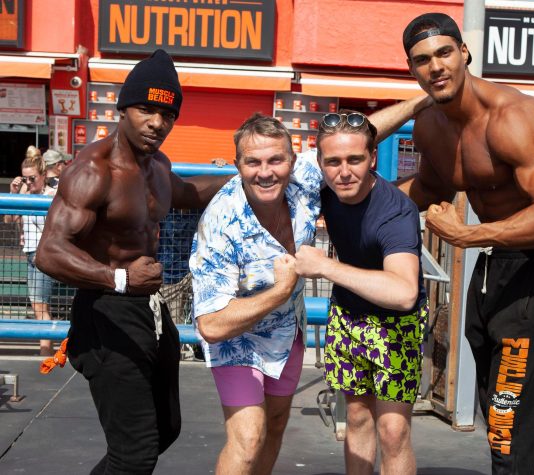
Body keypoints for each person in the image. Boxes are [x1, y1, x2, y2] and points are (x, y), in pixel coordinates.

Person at [373, 13, 534, 474]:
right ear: (411, 70)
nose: (436, 67)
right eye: (422, 60)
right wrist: (360, 200)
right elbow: (428, 190)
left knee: (510, 407)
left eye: (445, 52)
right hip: (495, 262)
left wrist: (467, 235)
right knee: (495, 396)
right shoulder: (430, 125)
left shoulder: (514, 117)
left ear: (464, 53)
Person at [36, 49, 230, 474]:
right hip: (106, 312)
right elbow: (48, 251)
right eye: (147, 109)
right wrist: (119, 277)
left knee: (165, 429)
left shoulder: (158, 166)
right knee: (135, 452)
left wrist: (245, 178)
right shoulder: (93, 170)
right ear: (123, 108)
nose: (157, 123)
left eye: (168, 114)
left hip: (150, 309)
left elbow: (188, 194)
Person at [294, 110, 428, 475]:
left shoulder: (396, 212)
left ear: (372, 158)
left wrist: (325, 266)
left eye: (355, 159)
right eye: (333, 162)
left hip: (395, 323)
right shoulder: (321, 187)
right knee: (356, 416)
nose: (344, 171)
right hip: (349, 312)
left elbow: (403, 293)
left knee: (394, 430)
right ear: (319, 163)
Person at [189, 113, 322, 475]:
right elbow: (212, 325)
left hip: (287, 329)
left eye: (275, 160)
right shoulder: (222, 221)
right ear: (238, 165)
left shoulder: (302, 181)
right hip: (236, 335)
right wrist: (280, 290)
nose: (266, 171)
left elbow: (355, 135)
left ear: (292, 161)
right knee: (248, 440)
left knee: (275, 426)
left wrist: (424, 100)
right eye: (253, 162)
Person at [5, 146, 57, 356]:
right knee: (39, 306)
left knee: (39, 306)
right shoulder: (25, 192)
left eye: (32, 178)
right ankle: (46, 350)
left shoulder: (52, 194)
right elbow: (9, 220)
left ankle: (45, 353)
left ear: (44, 175)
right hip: (31, 254)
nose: (28, 182)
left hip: (44, 255)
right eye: (25, 179)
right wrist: (14, 193)